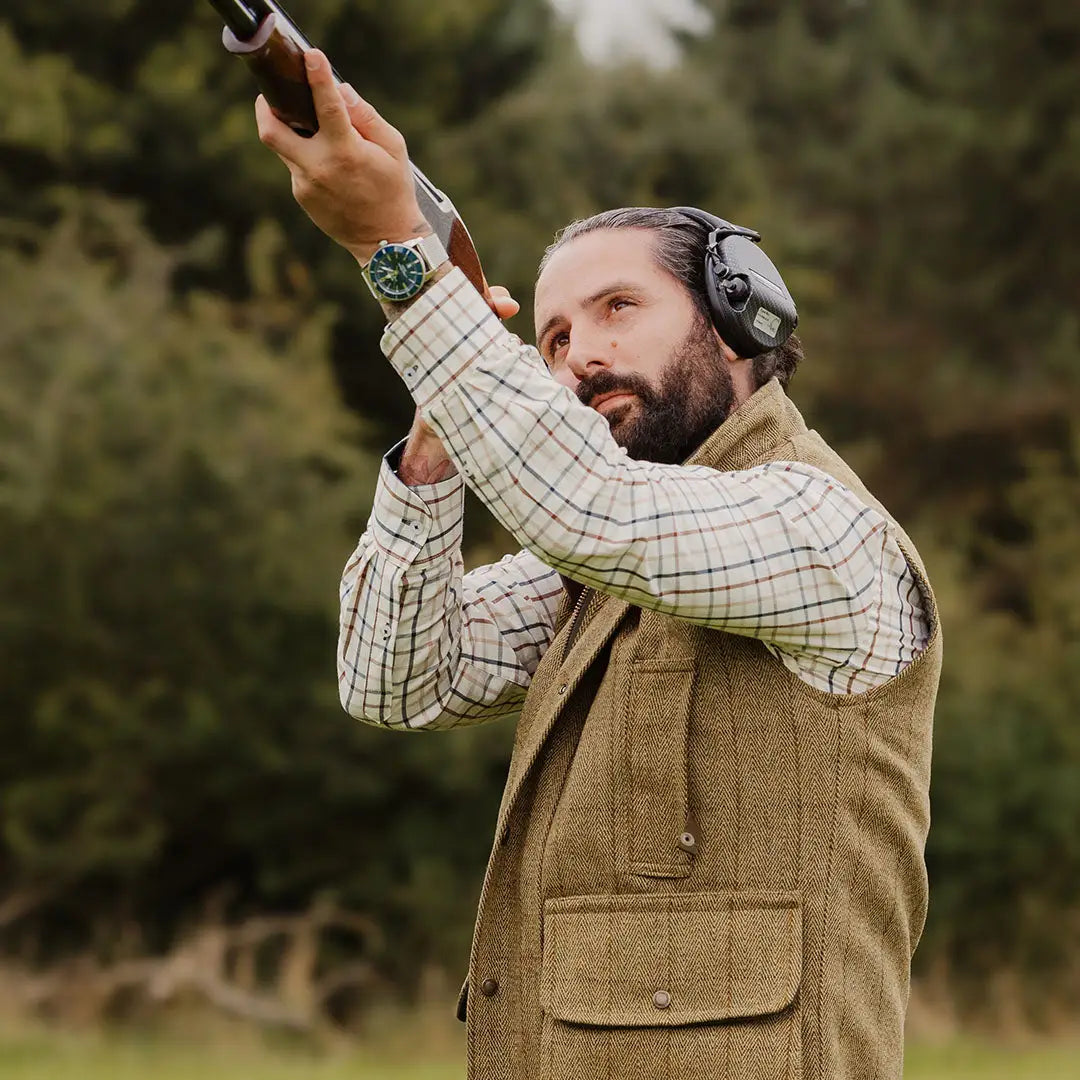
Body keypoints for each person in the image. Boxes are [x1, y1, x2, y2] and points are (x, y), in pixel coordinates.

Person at [256, 50, 942, 1080]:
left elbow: (586, 506)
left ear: (738, 313)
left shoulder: (823, 526)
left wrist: (395, 249)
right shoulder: (599, 574)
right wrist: (441, 442)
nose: (577, 354)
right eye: (554, 335)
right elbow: (395, 678)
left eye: (619, 308)